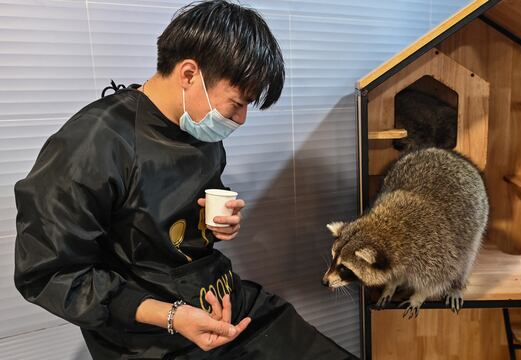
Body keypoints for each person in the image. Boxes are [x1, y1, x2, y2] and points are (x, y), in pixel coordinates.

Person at [13, 1, 357, 359]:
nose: (240, 120)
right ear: (190, 74)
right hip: (149, 333)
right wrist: (173, 316)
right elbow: (46, 274)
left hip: (222, 300)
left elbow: (186, 206)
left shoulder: (200, 127)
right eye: (237, 103)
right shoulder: (93, 145)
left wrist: (219, 220)